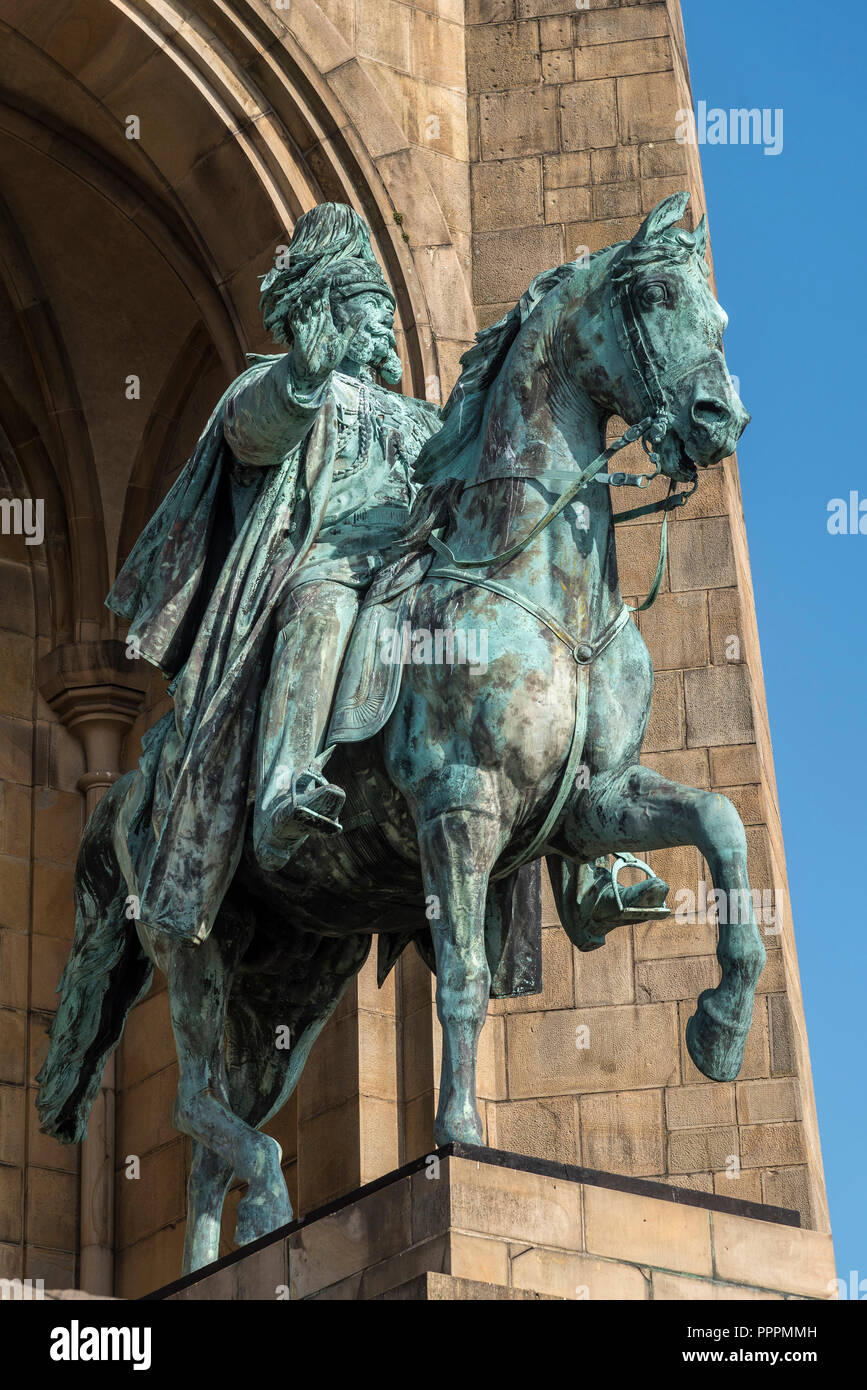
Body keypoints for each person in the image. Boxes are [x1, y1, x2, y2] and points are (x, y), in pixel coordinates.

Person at [108, 204, 440, 943]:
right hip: (327, 562)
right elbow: (252, 437)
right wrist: (302, 374)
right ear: (332, 319)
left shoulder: (422, 419)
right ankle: (283, 787)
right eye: (371, 313)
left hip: (414, 570)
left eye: (389, 313)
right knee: (318, 608)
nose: (387, 328)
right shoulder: (288, 387)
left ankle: (580, 857)